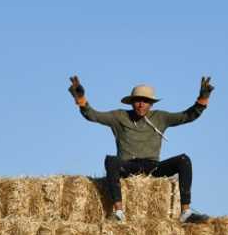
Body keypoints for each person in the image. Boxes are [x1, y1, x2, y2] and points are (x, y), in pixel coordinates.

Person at [69, 76, 213, 222]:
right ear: (131, 103)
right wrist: (81, 98)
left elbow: (187, 116)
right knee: (111, 161)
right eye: (137, 101)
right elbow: (93, 115)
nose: (141, 105)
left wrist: (203, 98)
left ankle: (186, 213)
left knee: (184, 160)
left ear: (151, 104)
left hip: (153, 167)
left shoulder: (160, 117)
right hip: (128, 166)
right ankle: (118, 212)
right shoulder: (119, 116)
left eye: (145, 101)